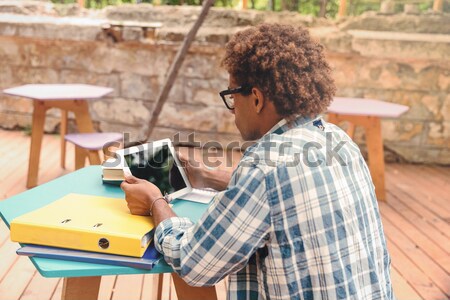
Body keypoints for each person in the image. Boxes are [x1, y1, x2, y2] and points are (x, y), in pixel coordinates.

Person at [121, 23, 394, 299]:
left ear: (256, 98)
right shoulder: (338, 140)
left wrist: (156, 202)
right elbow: (284, 192)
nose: (232, 110)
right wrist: (205, 175)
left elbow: (195, 263)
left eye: (231, 95)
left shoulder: (264, 168)